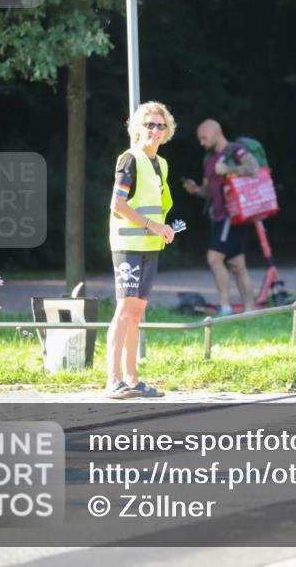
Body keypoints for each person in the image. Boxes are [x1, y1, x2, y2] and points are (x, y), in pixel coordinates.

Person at [106, 101, 178, 399]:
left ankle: (133, 379)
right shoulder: (129, 159)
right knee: (124, 310)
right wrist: (152, 225)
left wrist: (164, 228)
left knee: (136, 314)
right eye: (149, 125)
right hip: (128, 245)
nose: (155, 131)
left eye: (160, 126)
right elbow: (118, 204)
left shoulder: (161, 164)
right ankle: (113, 380)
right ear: (137, 128)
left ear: (167, 131)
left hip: (150, 245)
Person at [182, 118, 258, 314]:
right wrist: (196, 189)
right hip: (217, 216)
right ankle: (250, 309)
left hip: (231, 215)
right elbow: (208, 191)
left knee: (214, 258)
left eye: (204, 138)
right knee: (237, 264)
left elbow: (253, 168)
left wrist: (228, 170)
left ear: (216, 133)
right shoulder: (208, 159)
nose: (202, 143)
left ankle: (225, 306)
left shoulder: (235, 151)